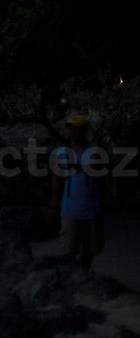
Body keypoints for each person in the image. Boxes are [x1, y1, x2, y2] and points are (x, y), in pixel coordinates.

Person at [52, 114, 111, 269]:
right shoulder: (62, 152)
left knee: (90, 249)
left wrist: (110, 197)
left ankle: (84, 276)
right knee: (69, 250)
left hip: (92, 208)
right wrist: (54, 200)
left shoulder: (96, 151)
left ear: (85, 131)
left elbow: (107, 175)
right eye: (72, 129)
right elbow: (56, 177)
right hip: (70, 208)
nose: (75, 133)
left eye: (79, 130)